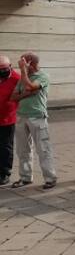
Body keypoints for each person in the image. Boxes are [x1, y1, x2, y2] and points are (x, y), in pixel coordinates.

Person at [10, 53, 57, 189]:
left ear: (31, 63)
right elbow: (13, 96)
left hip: (37, 116)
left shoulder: (43, 76)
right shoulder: (23, 78)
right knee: (22, 149)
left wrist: (24, 73)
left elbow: (30, 86)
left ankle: (50, 178)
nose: (20, 64)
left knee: (43, 149)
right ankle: (25, 177)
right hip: (21, 116)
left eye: (23, 62)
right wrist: (28, 93)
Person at [0, 56, 19, 186]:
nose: (2, 71)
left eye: (4, 69)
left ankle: (5, 173)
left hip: (7, 118)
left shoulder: (16, 78)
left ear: (10, 66)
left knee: (5, 147)